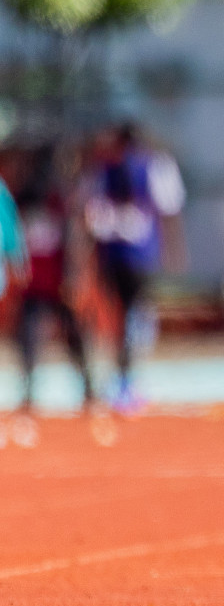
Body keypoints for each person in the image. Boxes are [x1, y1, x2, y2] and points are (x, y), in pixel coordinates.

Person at [84, 124, 186, 411]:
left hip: (112, 253)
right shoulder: (154, 164)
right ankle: (127, 379)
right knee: (134, 314)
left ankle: (122, 377)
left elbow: (90, 214)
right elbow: (170, 209)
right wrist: (174, 250)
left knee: (120, 316)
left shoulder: (103, 168)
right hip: (140, 253)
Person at [15, 145, 93, 414]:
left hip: (53, 281)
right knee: (31, 337)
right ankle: (31, 391)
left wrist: (72, 276)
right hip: (41, 281)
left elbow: (72, 240)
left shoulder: (55, 199)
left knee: (71, 335)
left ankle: (88, 388)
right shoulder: (40, 198)